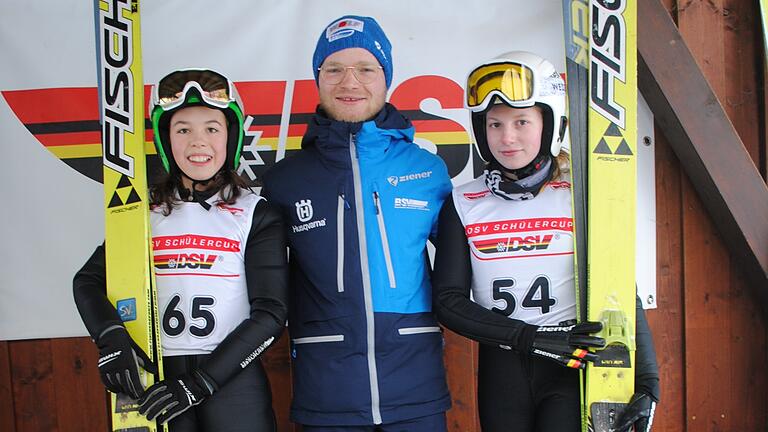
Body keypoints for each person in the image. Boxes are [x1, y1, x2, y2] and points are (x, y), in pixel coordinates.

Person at [432, 51, 660, 432]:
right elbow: (448, 301)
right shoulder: (463, 202)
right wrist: (528, 337)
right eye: (494, 124)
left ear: (551, 123)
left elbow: (622, 290)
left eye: (522, 121)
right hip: (503, 370)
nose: (506, 137)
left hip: (569, 366)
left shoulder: (581, 197)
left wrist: (648, 380)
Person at [261, 15, 452, 431]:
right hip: (327, 393)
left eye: (365, 69)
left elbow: (472, 268)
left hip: (415, 389)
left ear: (386, 78)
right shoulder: (284, 180)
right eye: (334, 69)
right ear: (318, 79)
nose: (350, 82)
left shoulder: (428, 170)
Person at [73, 68, 288, 431]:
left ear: (230, 137)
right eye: (183, 129)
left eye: (211, 128)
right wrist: (110, 337)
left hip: (231, 382)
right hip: (157, 379)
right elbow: (88, 281)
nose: (197, 141)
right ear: (166, 139)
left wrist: (201, 382)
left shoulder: (257, 212)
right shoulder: (143, 213)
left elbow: (270, 314)